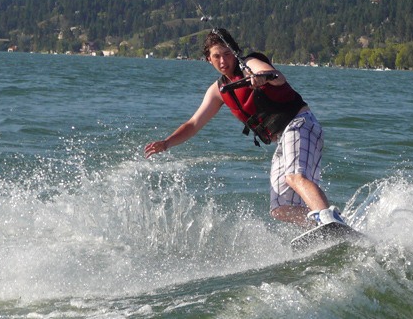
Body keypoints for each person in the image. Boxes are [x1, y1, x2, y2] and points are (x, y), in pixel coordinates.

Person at [144, 29, 345, 229]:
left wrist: (262, 77)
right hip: (284, 137)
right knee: (280, 208)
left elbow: (277, 77)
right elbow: (194, 123)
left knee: (294, 177)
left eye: (227, 54)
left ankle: (327, 221)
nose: (223, 61)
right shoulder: (218, 91)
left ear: (235, 53)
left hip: (300, 123)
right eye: (216, 56)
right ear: (208, 59)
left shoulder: (249, 63)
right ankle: (325, 224)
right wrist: (167, 142)